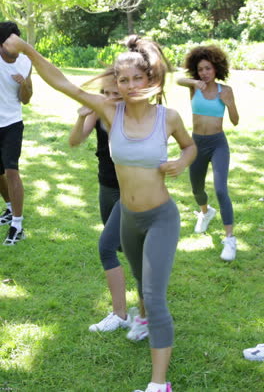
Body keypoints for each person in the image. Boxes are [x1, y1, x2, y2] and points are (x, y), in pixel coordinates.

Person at [3, 33, 197, 392]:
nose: (131, 85)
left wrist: (181, 161)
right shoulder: (110, 110)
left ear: (150, 79)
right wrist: (28, 49)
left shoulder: (167, 117)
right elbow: (61, 82)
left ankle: (159, 385)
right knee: (142, 285)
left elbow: (190, 147)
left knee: (154, 297)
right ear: (117, 85)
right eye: (123, 80)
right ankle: (138, 320)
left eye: (138, 78)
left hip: (160, 217)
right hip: (128, 215)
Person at [69, 76, 133, 333]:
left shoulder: (137, 116)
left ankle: (122, 314)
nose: (111, 98)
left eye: (116, 93)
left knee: (107, 246)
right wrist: (81, 116)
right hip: (107, 185)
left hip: (132, 189)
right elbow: (74, 141)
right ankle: (147, 302)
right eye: (106, 93)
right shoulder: (98, 112)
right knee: (119, 245)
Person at [177, 45, 239, 262]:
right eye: (200, 69)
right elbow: (178, 80)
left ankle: (230, 239)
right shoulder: (195, 87)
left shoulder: (226, 90)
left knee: (221, 190)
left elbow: (235, 120)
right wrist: (194, 82)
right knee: (197, 188)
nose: (204, 73)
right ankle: (205, 212)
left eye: (208, 68)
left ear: (216, 69)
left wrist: (229, 104)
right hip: (196, 144)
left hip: (218, 143)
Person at [0, 22, 32, 245]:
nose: (14, 47)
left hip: (12, 123)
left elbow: (27, 99)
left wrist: (23, 84)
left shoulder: (25, 61)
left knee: (12, 172)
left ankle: (17, 225)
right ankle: (10, 209)